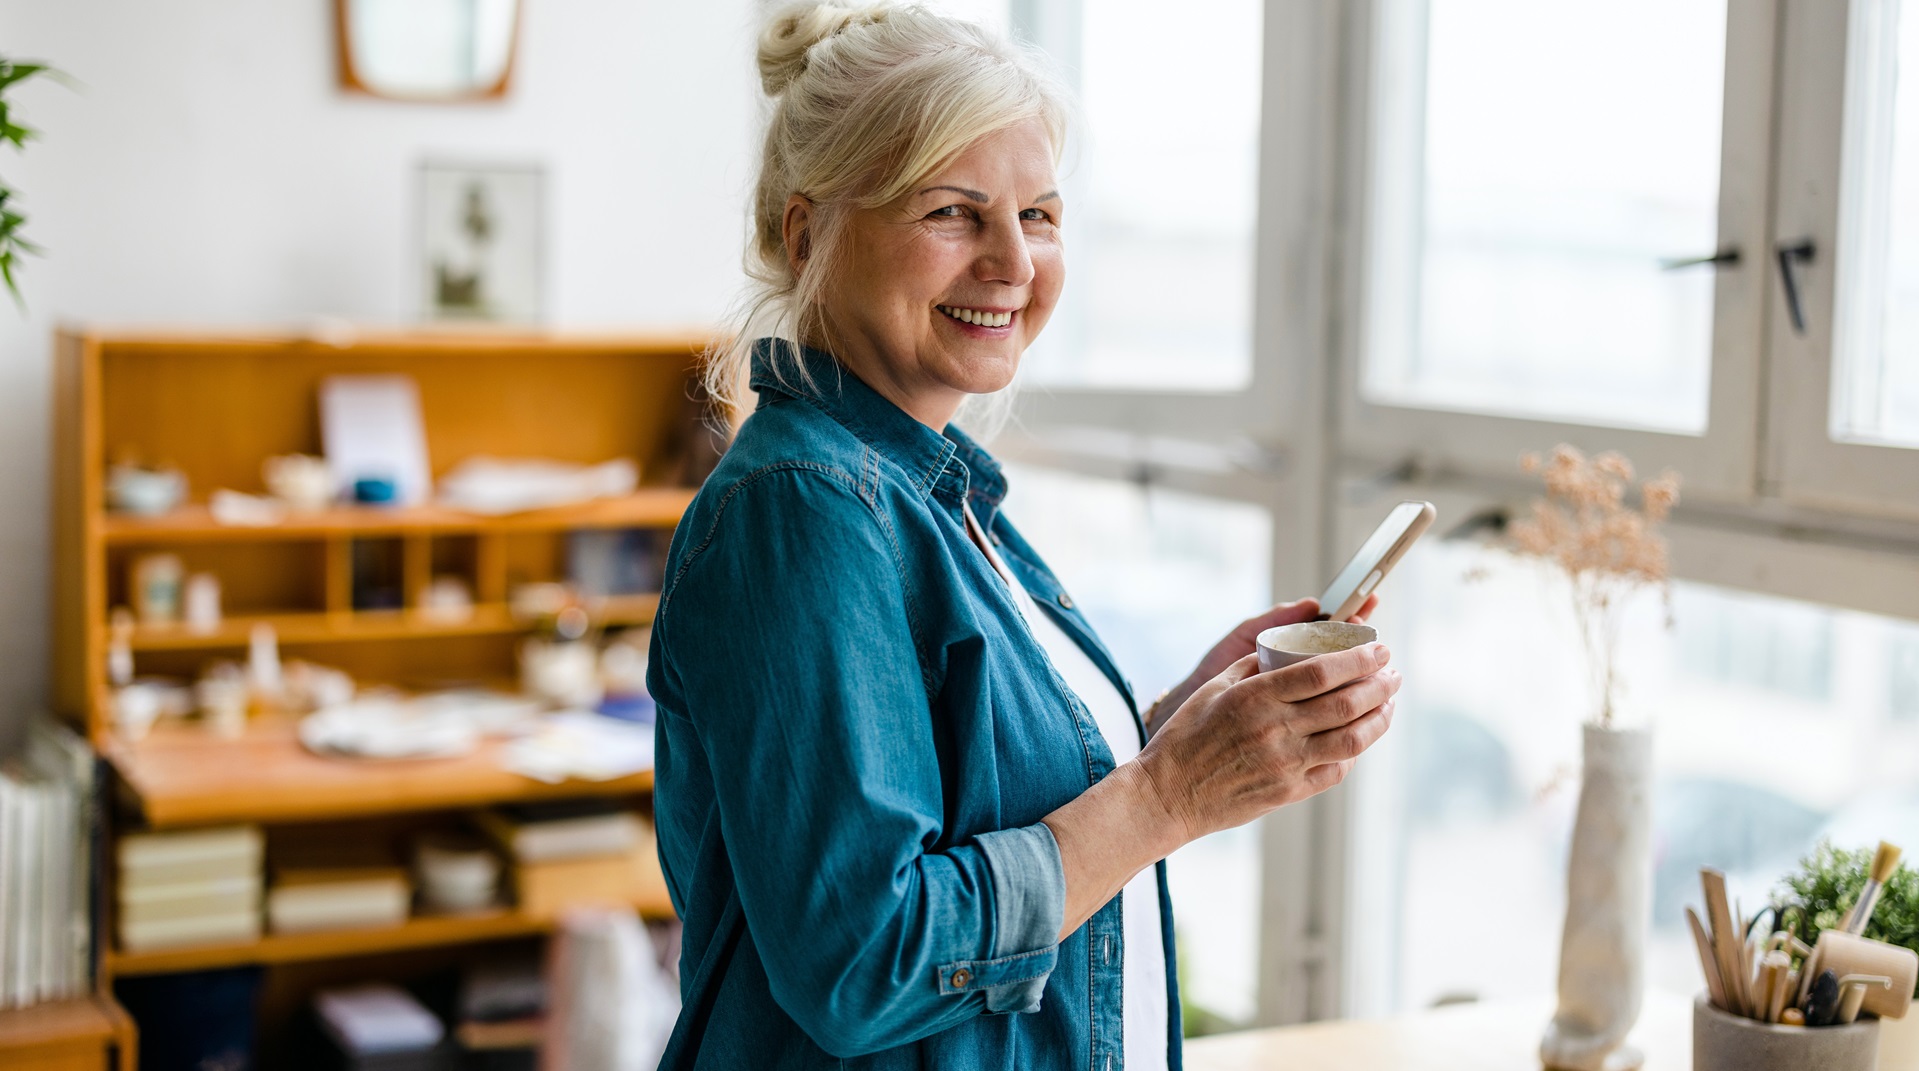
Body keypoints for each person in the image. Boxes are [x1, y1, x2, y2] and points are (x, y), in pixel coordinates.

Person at [645, 4, 1401, 1067]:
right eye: (954, 213)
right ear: (805, 234)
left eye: (1039, 214)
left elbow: (973, 802)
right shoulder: (802, 511)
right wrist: (1169, 792)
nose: (1013, 263)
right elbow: (865, 959)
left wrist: (1186, 727)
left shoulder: (930, 495)